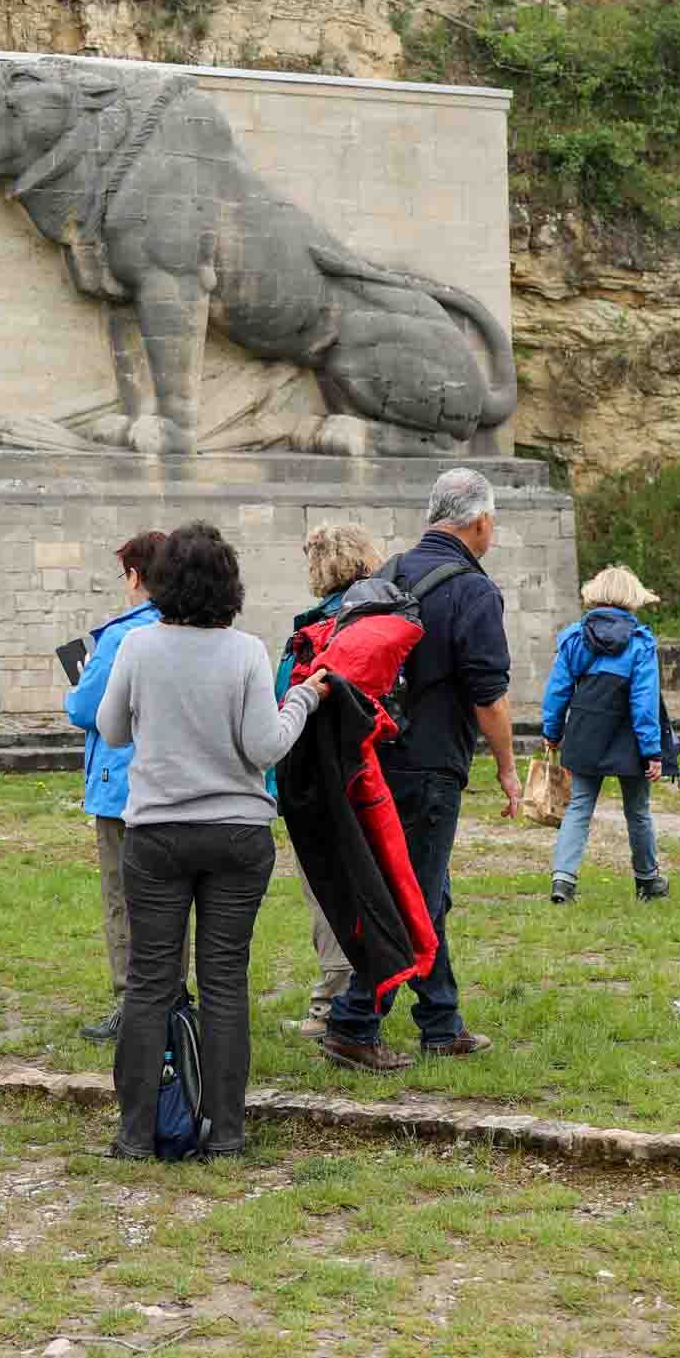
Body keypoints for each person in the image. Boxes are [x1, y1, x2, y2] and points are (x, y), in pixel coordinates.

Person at [97, 520, 325, 1161]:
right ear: (231, 586)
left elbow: (112, 730)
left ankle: (135, 1134)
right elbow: (265, 746)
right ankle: (226, 1133)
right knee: (225, 982)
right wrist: (302, 699)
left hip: (158, 833)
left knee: (151, 982)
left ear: (161, 583)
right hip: (236, 832)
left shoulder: (138, 647)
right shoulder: (247, 652)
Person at [320, 466, 521, 1074]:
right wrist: (508, 770)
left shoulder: (388, 573)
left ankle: (441, 1022)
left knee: (426, 893)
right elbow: (489, 696)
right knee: (413, 898)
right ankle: (354, 1021)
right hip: (431, 766)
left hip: (374, 755)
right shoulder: (474, 591)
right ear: (480, 522)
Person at [274, 523, 383, 1031]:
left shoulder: (313, 631)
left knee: (327, 892)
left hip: (322, 783)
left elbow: (282, 710)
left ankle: (332, 1004)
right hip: (380, 776)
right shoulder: (387, 620)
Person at [63, 530, 167, 1042]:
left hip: (121, 782)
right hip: (174, 786)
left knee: (123, 896)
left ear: (135, 577)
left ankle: (132, 999)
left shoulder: (123, 634)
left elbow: (85, 709)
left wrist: (75, 688)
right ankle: (172, 995)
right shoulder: (192, 625)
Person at [542, 565, 668, 904]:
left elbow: (558, 690)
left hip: (585, 731)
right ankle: (648, 880)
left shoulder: (574, 637)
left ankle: (562, 881)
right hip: (628, 735)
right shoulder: (640, 643)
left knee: (579, 806)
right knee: (638, 810)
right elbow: (644, 704)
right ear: (632, 598)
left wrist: (551, 731)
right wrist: (652, 751)